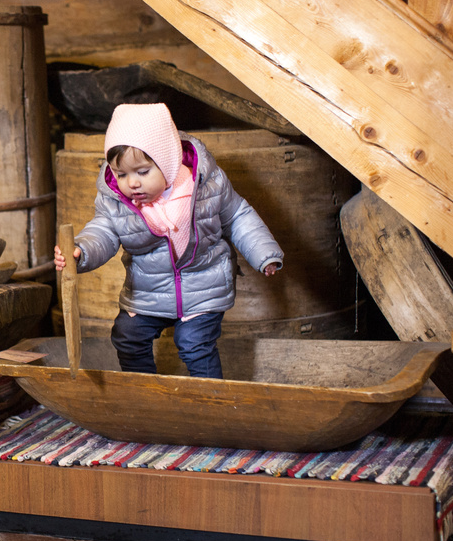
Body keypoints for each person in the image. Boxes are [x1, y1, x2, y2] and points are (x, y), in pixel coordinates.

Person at [53, 103, 283, 378]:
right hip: (148, 291)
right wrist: (81, 250)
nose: (132, 184)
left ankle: (212, 400)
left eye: (142, 172)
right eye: (122, 174)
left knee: (193, 343)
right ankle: (145, 393)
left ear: (168, 161)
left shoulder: (205, 184)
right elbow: (103, 230)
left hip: (203, 287)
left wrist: (264, 254)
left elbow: (238, 216)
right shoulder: (116, 200)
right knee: (127, 335)